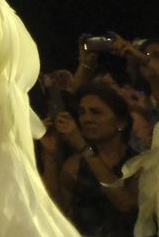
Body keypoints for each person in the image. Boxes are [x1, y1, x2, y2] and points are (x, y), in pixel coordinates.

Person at [41, 83, 139, 236]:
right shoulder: (75, 165)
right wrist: (50, 156)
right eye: (82, 112)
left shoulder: (139, 163)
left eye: (96, 112)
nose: (86, 119)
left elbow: (127, 205)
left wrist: (83, 147)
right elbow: (55, 212)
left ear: (121, 123)